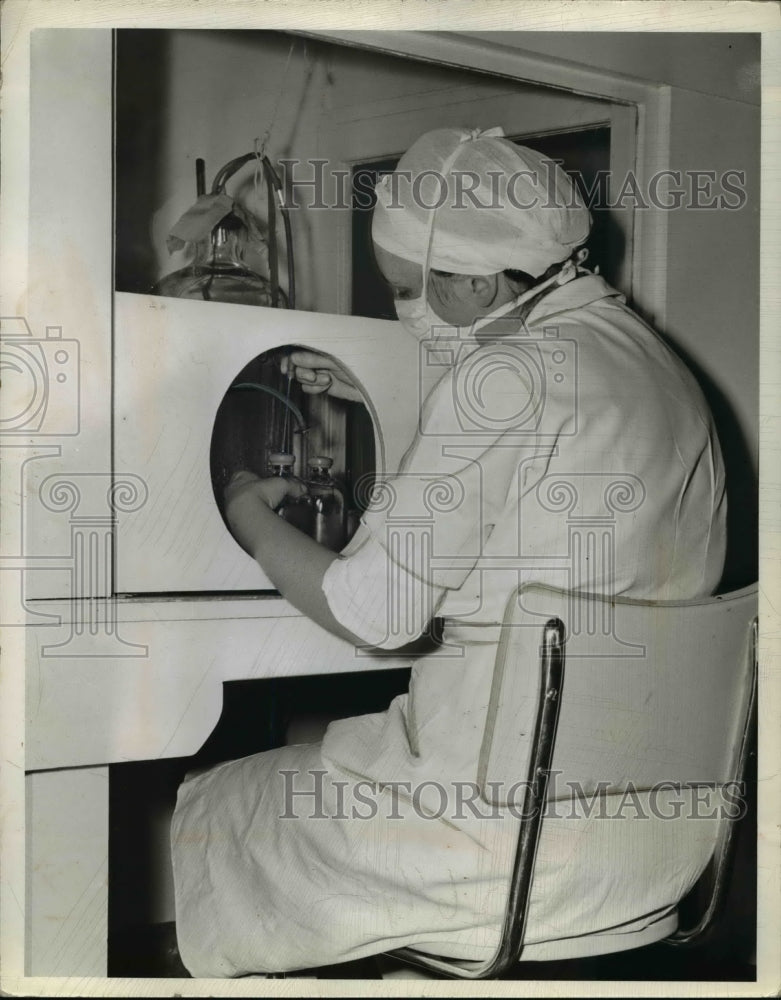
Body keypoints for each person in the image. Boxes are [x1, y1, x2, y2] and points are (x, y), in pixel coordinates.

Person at [170, 127, 727, 976]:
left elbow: (373, 614)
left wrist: (245, 514)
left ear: (473, 279)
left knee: (218, 800)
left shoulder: (502, 377)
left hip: (492, 849)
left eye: (405, 289)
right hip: (654, 851)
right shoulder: (660, 369)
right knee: (323, 744)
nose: (403, 310)